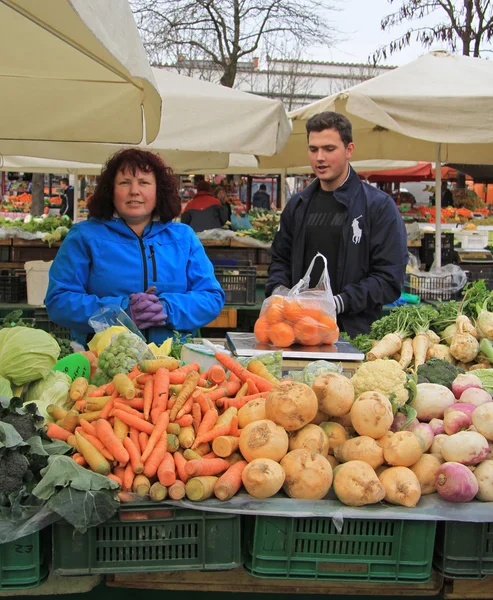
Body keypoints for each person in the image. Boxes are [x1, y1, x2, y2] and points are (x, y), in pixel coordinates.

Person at [45, 149, 225, 347]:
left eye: (144, 182)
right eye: (124, 182)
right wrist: (122, 311)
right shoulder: (84, 237)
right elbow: (58, 300)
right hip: (102, 361)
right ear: (110, 190)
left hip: (172, 365)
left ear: (158, 190)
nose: (134, 191)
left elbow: (211, 297)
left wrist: (166, 308)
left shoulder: (183, 237)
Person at [266, 111, 408, 337]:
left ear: (349, 150)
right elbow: (280, 259)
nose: (319, 157)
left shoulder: (378, 207)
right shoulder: (297, 206)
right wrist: (278, 291)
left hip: (355, 335)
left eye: (329, 149)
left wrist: (338, 303)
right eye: (313, 149)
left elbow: (389, 279)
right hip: (297, 332)